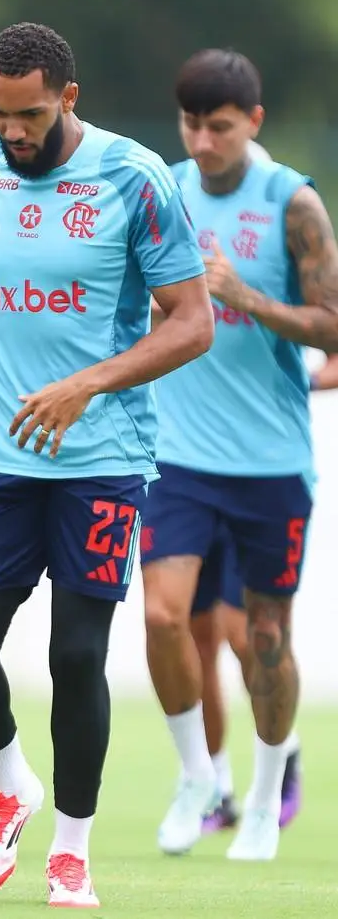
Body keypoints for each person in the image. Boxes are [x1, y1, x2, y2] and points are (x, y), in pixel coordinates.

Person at [0, 22, 212, 908]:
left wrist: (87, 384)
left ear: (69, 99)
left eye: (31, 115)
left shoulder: (135, 177)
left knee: (77, 655)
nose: (13, 132)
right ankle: (10, 783)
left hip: (101, 458)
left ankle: (72, 852)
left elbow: (191, 321)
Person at [140, 49, 334, 861]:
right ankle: (199, 776)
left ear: (252, 123)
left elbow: (329, 323)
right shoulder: (164, 193)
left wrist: (245, 296)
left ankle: (264, 794)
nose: (202, 142)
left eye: (218, 127)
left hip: (269, 460)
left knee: (264, 638)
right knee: (161, 615)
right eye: (190, 125)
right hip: (175, 453)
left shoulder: (293, 202)